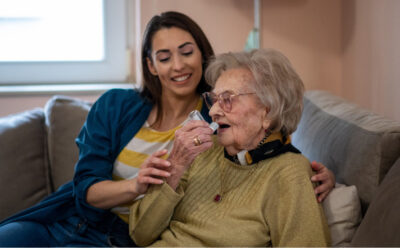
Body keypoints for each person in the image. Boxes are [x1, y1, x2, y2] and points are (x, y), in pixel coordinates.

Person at [0, 12, 333, 247]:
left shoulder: (217, 129)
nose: (177, 65)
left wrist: (316, 175)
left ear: (201, 55)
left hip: (118, 237)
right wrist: (149, 180)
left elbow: (272, 146)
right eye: (164, 56)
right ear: (150, 65)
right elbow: (87, 188)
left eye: (187, 52)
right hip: (75, 220)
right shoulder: (128, 110)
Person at [129, 48, 331, 247]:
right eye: (214, 100)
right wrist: (175, 166)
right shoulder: (202, 151)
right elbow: (140, 234)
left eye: (227, 99)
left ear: (268, 112)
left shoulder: (289, 173)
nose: (214, 111)